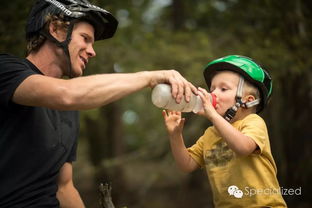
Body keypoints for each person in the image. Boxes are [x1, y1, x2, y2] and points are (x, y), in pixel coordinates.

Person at [0, 0, 197, 207]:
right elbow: (66, 94)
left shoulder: (69, 110)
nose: (92, 51)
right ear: (56, 29)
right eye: (85, 39)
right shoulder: (7, 69)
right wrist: (150, 78)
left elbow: (64, 186)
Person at [162, 55, 287, 207]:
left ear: (247, 101)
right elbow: (186, 165)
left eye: (223, 89)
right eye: (212, 89)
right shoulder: (210, 134)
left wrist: (213, 115)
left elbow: (243, 147)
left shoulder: (253, 122)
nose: (213, 94)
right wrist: (175, 135)